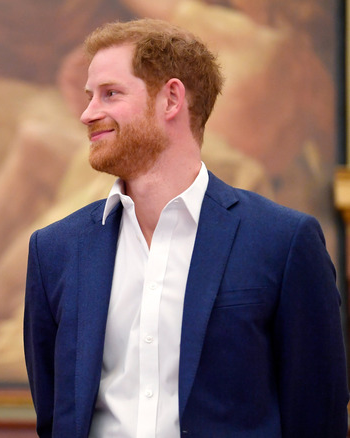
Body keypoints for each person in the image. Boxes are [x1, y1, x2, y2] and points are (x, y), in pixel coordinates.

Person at [23, 18, 348, 438]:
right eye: (90, 97)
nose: (87, 114)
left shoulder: (282, 241)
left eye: (110, 94)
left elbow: (317, 418)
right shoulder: (55, 250)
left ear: (171, 99)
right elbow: (54, 417)